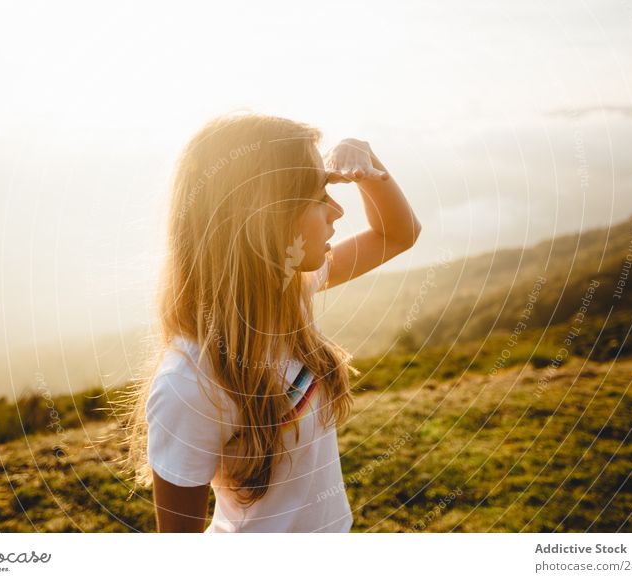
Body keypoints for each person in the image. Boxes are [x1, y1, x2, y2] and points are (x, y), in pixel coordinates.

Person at [125, 112, 421, 532]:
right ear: (268, 217)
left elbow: (398, 234)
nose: (337, 210)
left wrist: (369, 170)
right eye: (318, 195)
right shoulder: (188, 383)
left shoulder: (287, 293)